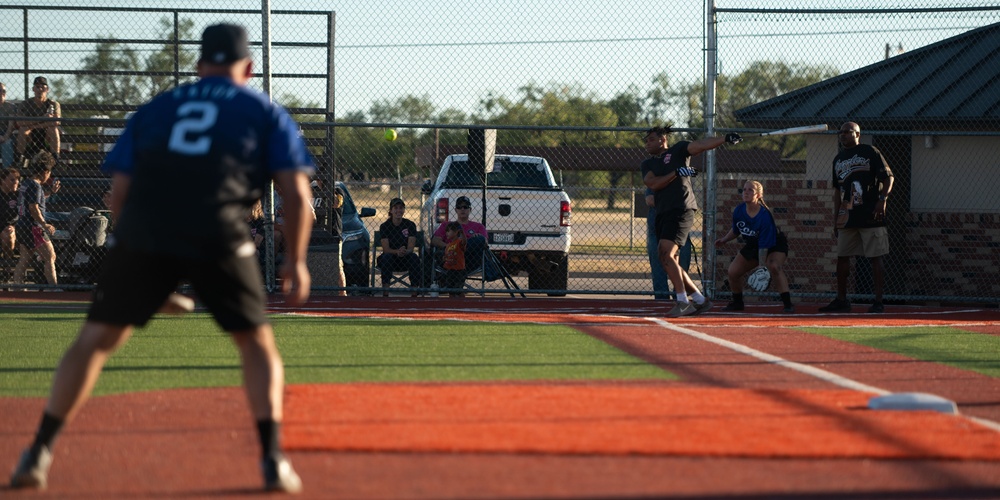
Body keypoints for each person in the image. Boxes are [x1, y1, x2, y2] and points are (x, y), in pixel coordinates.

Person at [9, 23, 314, 494]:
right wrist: (296, 261)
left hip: (147, 233)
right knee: (256, 346)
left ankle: (38, 452)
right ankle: (273, 461)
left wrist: (136, 265)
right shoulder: (263, 110)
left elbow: (119, 196)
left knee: (94, 340)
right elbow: (297, 198)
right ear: (248, 69)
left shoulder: (160, 107)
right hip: (221, 232)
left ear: (198, 68)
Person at [641, 125, 741, 317]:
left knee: (665, 253)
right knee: (670, 260)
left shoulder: (678, 149)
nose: (647, 143)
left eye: (651, 139)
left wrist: (725, 138)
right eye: (646, 140)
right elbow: (653, 183)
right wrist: (676, 173)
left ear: (663, 139)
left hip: (681, 209)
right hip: (662, 213)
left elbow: (701, 145)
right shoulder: (648, 164)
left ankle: (682, 301)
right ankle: (700, 300)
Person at [819, 121, 894, 314]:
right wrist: (836, 216)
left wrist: (882, 200)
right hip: (848, 215)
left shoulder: (870, 152)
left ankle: (878, 301)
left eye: (847, 132)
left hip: (870, 213)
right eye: (840, 132)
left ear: (857, 134)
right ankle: (842, 299)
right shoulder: (838, 159)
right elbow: (837, 191)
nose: (842, 135)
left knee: (875, 257)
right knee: (842, 257)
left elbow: (889, 177)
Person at [715, 180, 795, 313]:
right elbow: (736, 230)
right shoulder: (739, 210)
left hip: (774, 244)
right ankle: (737, 303)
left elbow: (764, 246)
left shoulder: (764, 216)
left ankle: (788, 304)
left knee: (774, 266)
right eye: (744, 189)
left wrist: (761, 267)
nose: (746, 192)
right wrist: (724, 239)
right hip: (753, 244)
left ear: (758, 195)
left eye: (750, 190)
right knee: (733, 272)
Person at [11, 151, 58, 287]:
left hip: (22, 225)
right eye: (49, 172)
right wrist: (44, 224)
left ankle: (17, 288)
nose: (48, 176)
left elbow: (33, 201)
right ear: (44, 171)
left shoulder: (26, 183)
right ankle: (54, 289)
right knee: (50, 257)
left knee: (24, 259)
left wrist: (50, 192)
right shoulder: (36, 186)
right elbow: (33, 207)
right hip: (33, 226)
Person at [430, 195, 487, 279]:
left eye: (465, 207)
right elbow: (435, 240)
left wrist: (475, 239)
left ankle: (453, 284)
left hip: (469, 259)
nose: (462, 209)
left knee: (480, 239)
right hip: (450, 257)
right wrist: (451, 247)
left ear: (470, 209)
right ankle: (455, 285)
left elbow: (485, 243)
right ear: (456, 210)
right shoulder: (446, 225)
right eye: (459, 207)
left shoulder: (478, 226)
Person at [11, 76, 61, 163]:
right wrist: (43, 118)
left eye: (43, 87)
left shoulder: (53, 103)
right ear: (33, 89)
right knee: (23, 130)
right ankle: (19, 159)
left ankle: (55, 158)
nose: (40, 89)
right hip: (30, 133)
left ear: (47, 89)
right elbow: (19, 122)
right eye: (37, 87)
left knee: (54, 130)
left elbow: (56, 122)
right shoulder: (25, 103)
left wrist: (32, 124)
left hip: (46, 132)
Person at [377, 197, 421, 296]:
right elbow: (386, 249)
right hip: (390, 258)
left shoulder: (410, 225)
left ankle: (414, 291)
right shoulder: (385, 226)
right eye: (395, 208)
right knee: (386, 258)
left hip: (405, 258)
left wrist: (404, 251)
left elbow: (411, 247)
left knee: (414, 258)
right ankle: (386, 292)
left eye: (401, 208)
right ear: (390, 210)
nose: (398, 210)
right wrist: (397, 252)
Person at [441, 221, 467, 296]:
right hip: (450, 270)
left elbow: (464, 242)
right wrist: (444, 258)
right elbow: (447, 255)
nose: (446, 233)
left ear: (456, 232)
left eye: (448, 231)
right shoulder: (448, 245)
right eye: (446, 231)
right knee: (450, 289)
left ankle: (462, 302)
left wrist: (462, 233)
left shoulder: (459, 242)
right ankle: (452, 302)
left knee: (458, 289)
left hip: (459, 270)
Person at [1, 167, 20, 258]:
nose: (16, 182)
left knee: (8, 236)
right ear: (3, 180)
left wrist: (51, 192)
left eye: (17, 179)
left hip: (14, 226)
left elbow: (35, 199)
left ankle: (7, 268)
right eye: (12, 179)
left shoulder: (19, 194)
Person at [0, 82, 16, 167]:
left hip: (6, 133)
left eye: (4, 91)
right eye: (0, 90)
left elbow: (11, 125)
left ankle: (7, 172)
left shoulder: (10, 106)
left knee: (7, 143)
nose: (2, 93)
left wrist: (5, 136)